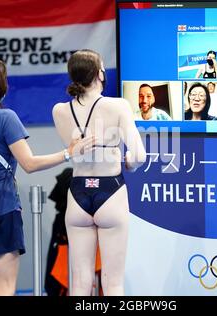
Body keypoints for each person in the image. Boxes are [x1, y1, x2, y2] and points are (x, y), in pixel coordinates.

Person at [0, 56, 94, 296]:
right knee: (5, 288)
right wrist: (69, 153)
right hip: (0, 214)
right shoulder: (5, 118)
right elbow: (30, 164)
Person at [52, 49, 146, 296]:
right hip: (110, 192)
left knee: (80, 283)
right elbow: (139, 156)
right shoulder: (118, 106)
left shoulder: (59, 111)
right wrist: (128, 162)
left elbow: (72, 149)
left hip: (78, 194)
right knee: (113, 283)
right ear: (99, 74)